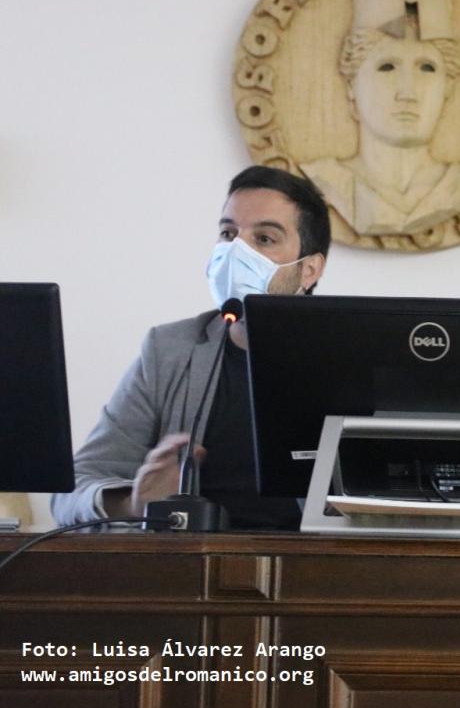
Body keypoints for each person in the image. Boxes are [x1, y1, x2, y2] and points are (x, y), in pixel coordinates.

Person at [51, 166, 330, 529]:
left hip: (315, 569)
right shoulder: (169, 351)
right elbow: (70, 491)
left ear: (309, 269)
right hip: (187, 568)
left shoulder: (349, 357)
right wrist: (135, 503)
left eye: (264, 239)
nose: (236, 251)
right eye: (228, 233)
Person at [301, 0, 460, 246]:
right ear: (351, 85)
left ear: (448, 87)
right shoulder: (323, 181)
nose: (407, 93)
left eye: (427, 68)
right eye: (387, 67)